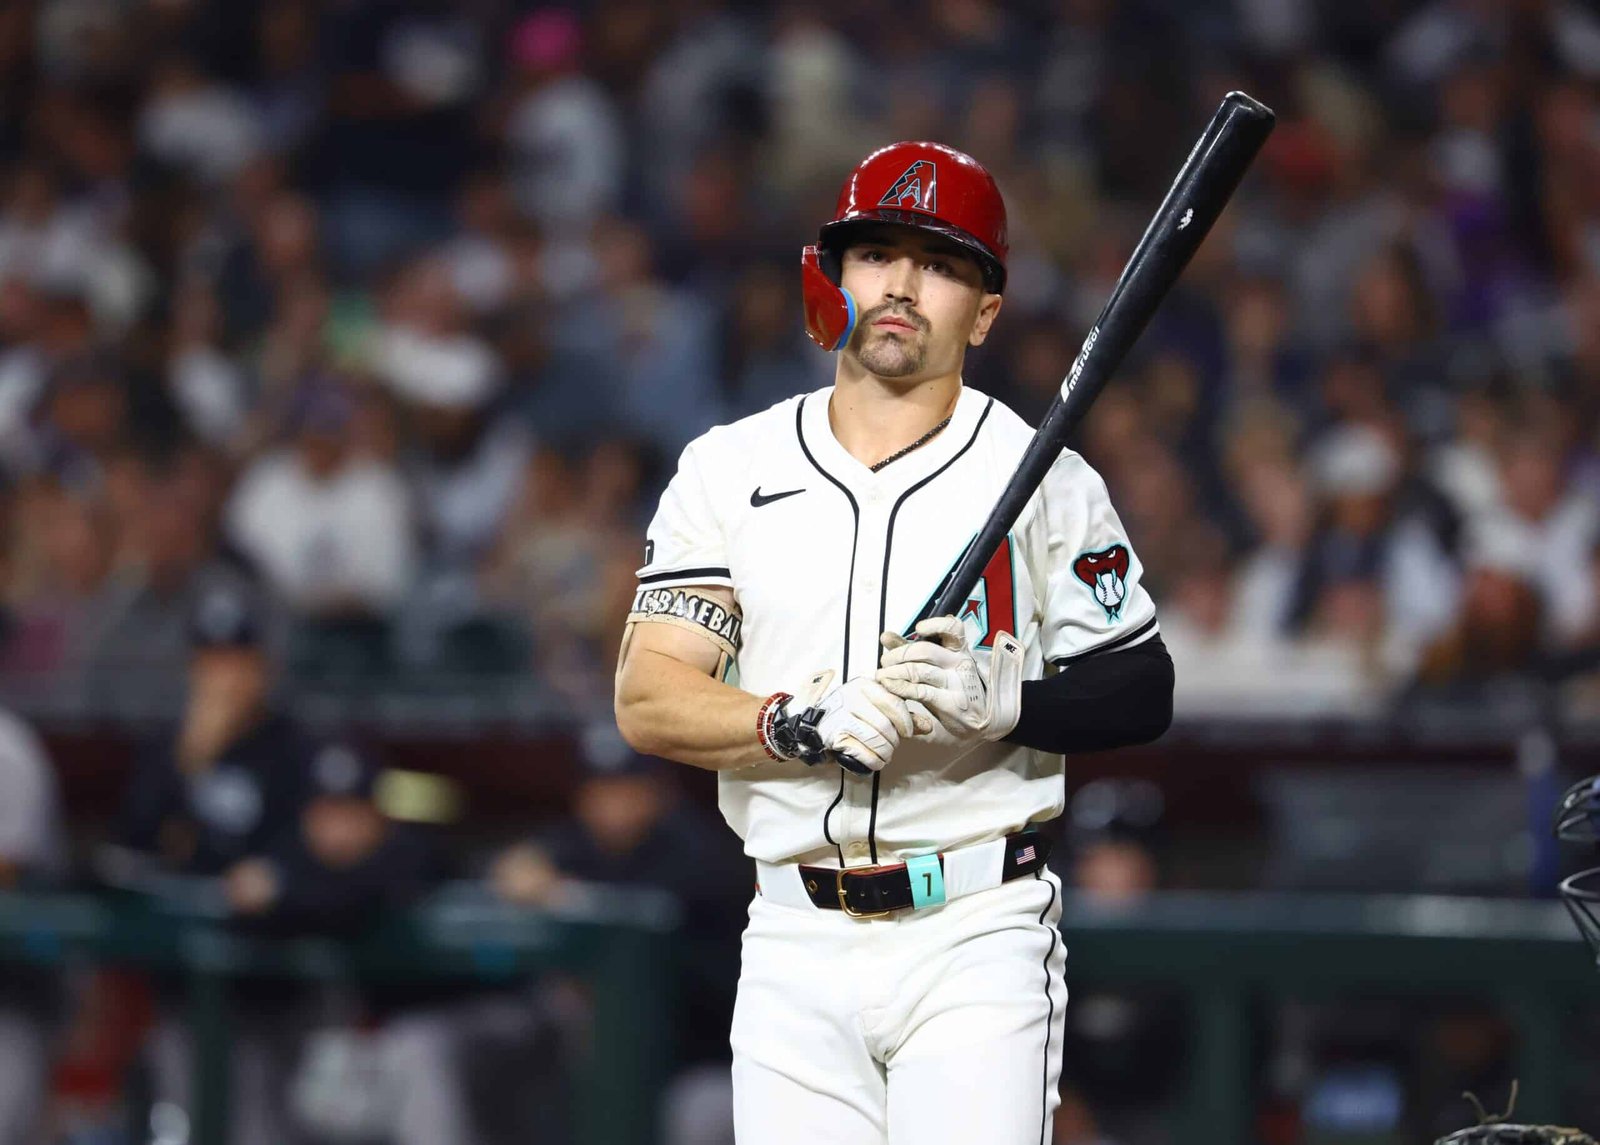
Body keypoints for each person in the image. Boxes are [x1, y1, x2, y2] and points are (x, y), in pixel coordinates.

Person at [614, 141, 1175, 1144]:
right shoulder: (728, 467)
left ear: (985, 311)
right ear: (833, 276)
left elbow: (1143, 687)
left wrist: (1010, 703)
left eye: (943, 263)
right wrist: (791, 720)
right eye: (876, 252)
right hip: (791, 930)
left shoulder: (1041, 475)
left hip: (973, 925)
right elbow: (648, 694)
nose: (903, 284)